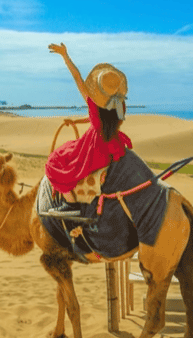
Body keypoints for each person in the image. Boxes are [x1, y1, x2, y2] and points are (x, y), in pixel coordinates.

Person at [44, 43, 133, 218]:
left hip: (94, 148)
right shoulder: (119, 104)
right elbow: (100, 121)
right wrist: (77, 121)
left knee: (56, 161)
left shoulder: (93, 102)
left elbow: (77, 77)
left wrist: (65, 55)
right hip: (112, 144)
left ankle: (69, 204)